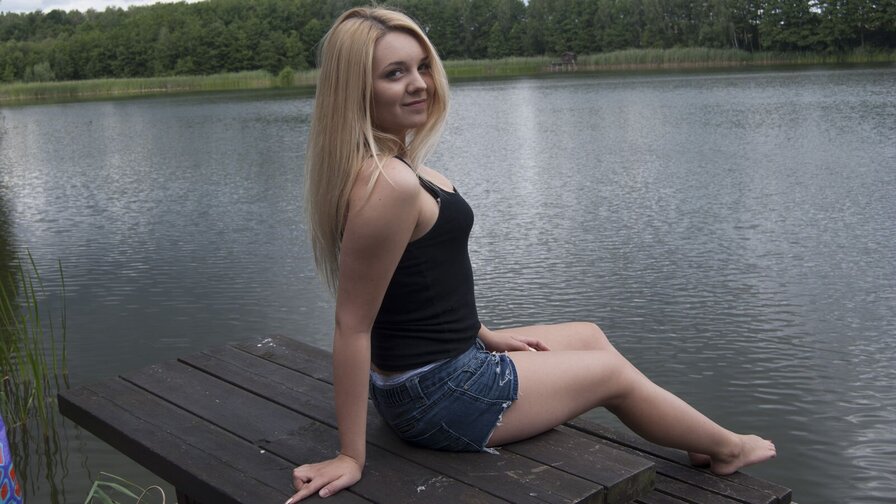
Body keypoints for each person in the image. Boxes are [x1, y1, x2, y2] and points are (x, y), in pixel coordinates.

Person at [287, 7, 776, 503]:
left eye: (422, 66)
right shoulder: (389, 183)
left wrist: (486, 335)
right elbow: (352, 325)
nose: (419, 83)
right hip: (436, 397)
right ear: (357, 91)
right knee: (610, 375)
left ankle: (693, 436)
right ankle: (727, 448)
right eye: (395, 73)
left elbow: (421, 283)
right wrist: (350, 455)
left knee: (588, 335)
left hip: (442, 369)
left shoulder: (396, 166)